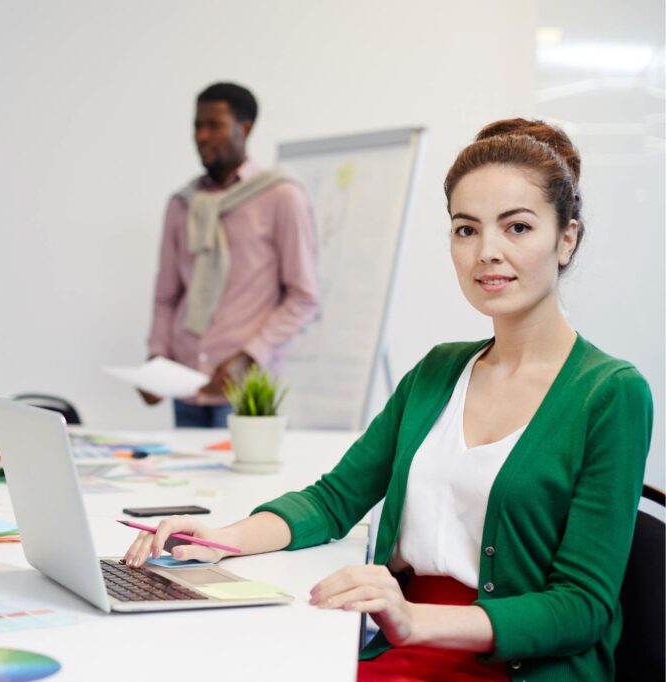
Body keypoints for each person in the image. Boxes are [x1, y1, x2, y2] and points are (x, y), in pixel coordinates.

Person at [124, 119, 653, 680]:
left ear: (566, 239)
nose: (486, 252)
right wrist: (222, 539)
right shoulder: (439, 371)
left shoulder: (610, 393)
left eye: (517, 227)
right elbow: (334, 499)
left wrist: (414, 618)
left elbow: (582, 606)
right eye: (466, 230)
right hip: (402, 647)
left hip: (510, 666)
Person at [142, 82, 319, 427]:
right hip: (185, 388)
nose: (202, 136)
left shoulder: (281, 197)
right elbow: (167, 296)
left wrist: (249, 356)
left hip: (245, 393)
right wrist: (156, 357)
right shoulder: (182, 204)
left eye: (214, 125)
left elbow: (303, 297)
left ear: (245, 128)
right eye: (197, 126)